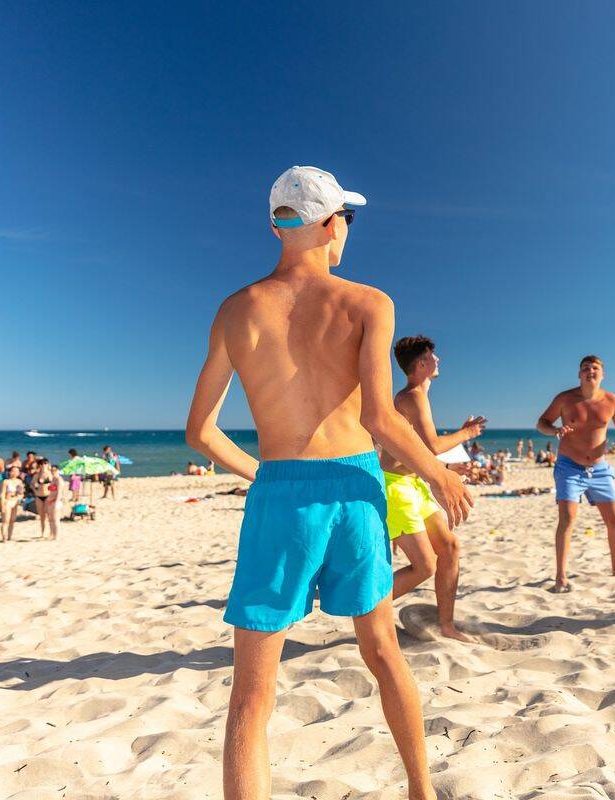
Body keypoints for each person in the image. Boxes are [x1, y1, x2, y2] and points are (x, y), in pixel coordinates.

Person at [184, 165, 470, 800]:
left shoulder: (236, 310)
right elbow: (378, 416)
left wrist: (268, 476)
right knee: (382, 653)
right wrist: (437, 472)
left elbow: (199, 432)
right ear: (329, 223)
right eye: (346, 220)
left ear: (276, 224)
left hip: (280, 494)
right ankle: (421, 792)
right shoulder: (368, 302)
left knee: (252, 694)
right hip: (353, 488)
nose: (347, 231)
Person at [379, 335, 485, 642]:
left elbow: (418, 451)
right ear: (422, 364)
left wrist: (447, 471)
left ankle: (446, 625)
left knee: (449, 548)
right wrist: (467, 433)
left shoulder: (415, 397)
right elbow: (432, 446)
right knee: (424, 566)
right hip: (396, 487)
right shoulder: (412, 396)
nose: (438, 361)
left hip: (413, 483)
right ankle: (371, 615)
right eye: (434, 357)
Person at [536, 355, 615, 593]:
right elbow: (541, 423)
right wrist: (554, 430)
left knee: (614, 520)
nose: (590, 372)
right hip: (569, 467)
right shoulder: (565, 399)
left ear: (602, 375)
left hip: (600, 469)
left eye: (595, 368)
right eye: (585, 368)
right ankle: (561, 577)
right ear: (579, 374)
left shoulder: (612, 400)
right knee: (568, 518)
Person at [31, 459, 60, 540]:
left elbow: (56, 484)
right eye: (42, 464)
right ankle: (43, 532)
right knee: (42, 516)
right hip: (39, 496)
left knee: (50, 516)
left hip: (48, 496)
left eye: (45, 463)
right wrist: (35, 490)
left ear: (48, 465)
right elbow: (32, 484)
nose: (43, 465)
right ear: (39, 465)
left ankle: (51, 533)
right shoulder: (37, 475)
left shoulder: (51, 474)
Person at [0, 466, 25, 542]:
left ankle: (9, 536)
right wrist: (2, 505)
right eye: (13, 471)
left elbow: (21, 493)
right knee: (6, 520)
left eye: (17, 471)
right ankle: (4, 537)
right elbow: (2, 494)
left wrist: (20, 497)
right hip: (8, 501)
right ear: (10, 472)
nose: (15, 473)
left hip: (15, 501)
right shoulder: (6, 481)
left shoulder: (19, 481)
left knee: (12, 520)